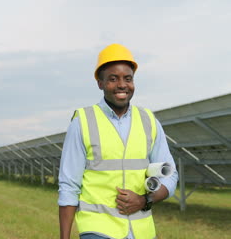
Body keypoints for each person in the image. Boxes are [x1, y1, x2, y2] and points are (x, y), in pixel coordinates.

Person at [58, 44, 178, 239]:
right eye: (113, 79)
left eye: (128, 78)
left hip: (143, 231)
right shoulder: (82, 122)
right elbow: (68, 185)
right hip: (98, 229)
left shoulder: (149, 121)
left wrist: (145, 200)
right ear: (100, 83)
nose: (122, 85)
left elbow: (170, 174)